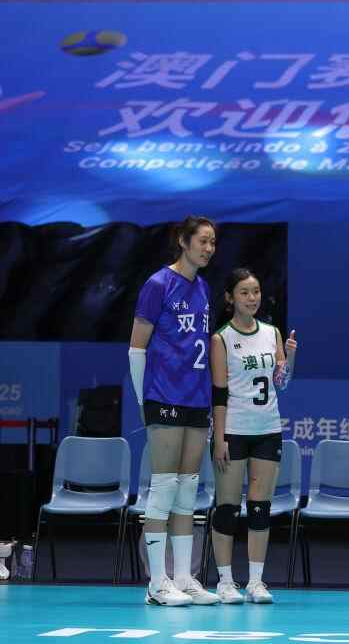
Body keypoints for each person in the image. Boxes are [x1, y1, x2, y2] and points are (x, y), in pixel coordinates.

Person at [129, 216, 220, 606]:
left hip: (196, 398)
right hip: (163, 396)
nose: (209, 248)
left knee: (188, 489)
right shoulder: (157, 284)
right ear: (183, 241)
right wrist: (142, 401)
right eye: (202, 241)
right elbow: (137, 348)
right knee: (164, 486)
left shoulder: (204, 287)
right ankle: (156, 583)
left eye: (213, 242)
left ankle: (184, 578)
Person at [210, 268, 297, 604]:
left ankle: (256, 582)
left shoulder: (272, 332)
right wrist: (220, 438)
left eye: (256, 291)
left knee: (260, 508)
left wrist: (290, 356)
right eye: (244, 292)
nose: (252, 298)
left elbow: (281, 383)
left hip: (267, 430)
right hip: (233, 431)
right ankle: (225, 582)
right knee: (228, 508)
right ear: (230, 298)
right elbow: (219, 393)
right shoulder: (221, 338)